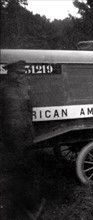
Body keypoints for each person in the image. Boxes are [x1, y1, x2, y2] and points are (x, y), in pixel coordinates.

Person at [0, 61, 43, 220]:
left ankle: (31, 206)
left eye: (22, 73)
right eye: (17, 73)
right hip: (10, 138)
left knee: (28, 171)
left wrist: (30, 133)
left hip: (26, 136)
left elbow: (28, 111)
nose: (20, 75)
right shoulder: (3, 89)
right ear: (8, 72)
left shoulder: (24, 89)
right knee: (14, 175)